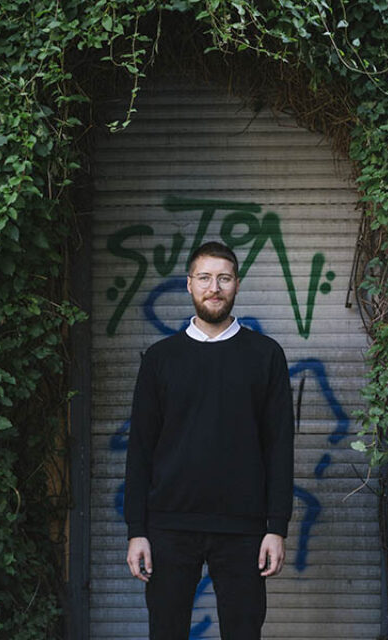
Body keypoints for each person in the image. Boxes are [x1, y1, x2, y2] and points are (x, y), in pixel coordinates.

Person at [124, 241, 295, 639]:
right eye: (204, 278)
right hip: (169, 527)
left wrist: (277, 527)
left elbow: (279, 447)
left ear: (236, 284)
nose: (213, 287)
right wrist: (137, 531)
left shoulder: (265, 355)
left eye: (223, 278)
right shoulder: (160, 359)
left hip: (244, 529)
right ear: (189, 285)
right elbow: (141, 449)